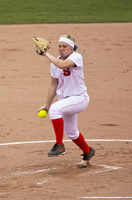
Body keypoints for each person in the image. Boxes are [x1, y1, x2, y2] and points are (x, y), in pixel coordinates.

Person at [37, 34, 95, 168]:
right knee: (71, 132)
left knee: (55, 109)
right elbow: (53, 86)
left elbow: (62, 65)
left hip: (79, 99)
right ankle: (88, 152)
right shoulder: (54, 63)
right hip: (65, 100)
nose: (61, 49)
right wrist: (46, 105)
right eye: (59, 46)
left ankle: (60, 145)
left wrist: (45, 54)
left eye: (65, 46)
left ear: (72, 48)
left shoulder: (76, 57)